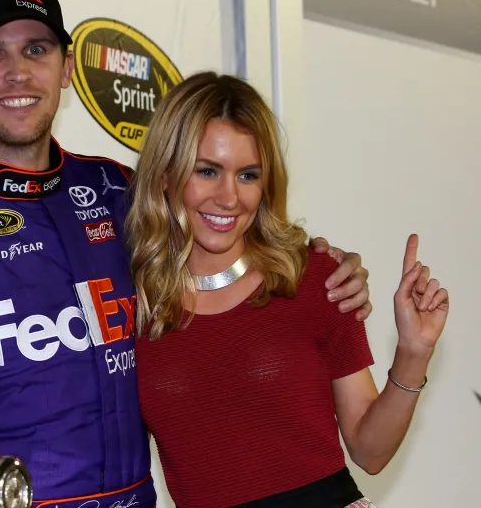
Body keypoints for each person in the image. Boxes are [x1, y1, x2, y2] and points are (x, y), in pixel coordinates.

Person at [0, 0, 373, 505]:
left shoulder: (121, 193)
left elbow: (230, 241)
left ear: (67, 67)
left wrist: (319, 265)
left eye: (36, 50)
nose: (18, 73)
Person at [127, 71, 450, 508]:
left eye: (247, 175)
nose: (229, 198)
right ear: (166, 174)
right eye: (207, 171)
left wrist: (414, 352)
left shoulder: (314, 278)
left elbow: (371, 454)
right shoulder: (134, 304)